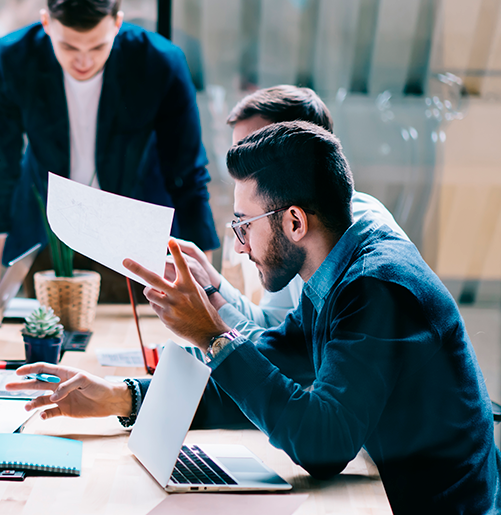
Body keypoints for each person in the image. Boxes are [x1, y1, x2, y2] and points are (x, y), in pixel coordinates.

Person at [14, 122, 501, 515]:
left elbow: (322, 442)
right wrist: (124, 396)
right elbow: (274, 360)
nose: (241, 244)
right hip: (389, 510)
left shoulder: (376, 286)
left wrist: (213, 337)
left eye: (244, 224)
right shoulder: (338, 269)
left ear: (294, 221)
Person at [0, 0, 217, 310]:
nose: (83, 61)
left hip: (136, 237)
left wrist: (205, 290)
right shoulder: (12, 58)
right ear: (46, 23)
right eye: (69, 47)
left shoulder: (160, 62)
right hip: (45, 237)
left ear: (117, 24)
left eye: (98, 48)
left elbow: (188, 175)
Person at [172, 85, 408, 341]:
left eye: (254, 150)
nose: (242, 168)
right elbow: (276, 334)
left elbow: (288, 365)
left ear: (296, 146)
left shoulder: (346, 251)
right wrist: (211, 280)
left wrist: (209, 307)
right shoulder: (293, 242)